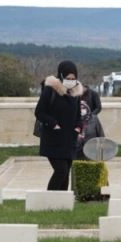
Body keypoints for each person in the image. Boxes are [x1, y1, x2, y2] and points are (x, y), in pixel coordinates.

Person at [34, 60, 84, 190]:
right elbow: (39, 112)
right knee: (60, 171)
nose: (71, 80)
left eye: (73, 78)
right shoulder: (50, 90)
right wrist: (53, 123)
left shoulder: (76, 92)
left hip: (70, 140)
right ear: (61, 76)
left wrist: (78, 127)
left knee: (66, 173)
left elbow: (78, 114)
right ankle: (49, 199)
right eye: (68, 78)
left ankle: (62, 203)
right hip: (53, 139)